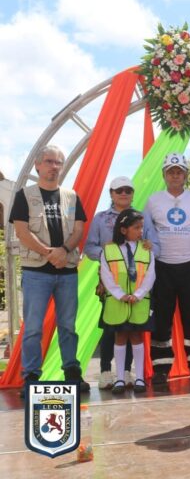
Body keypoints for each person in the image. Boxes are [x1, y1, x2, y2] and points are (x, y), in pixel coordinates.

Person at [9, 145, 89, 393]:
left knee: (68, 325)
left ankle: (72, 374)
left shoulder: (71, 196)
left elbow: (78, 229)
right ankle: (31, 376)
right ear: (37, 165)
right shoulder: (24, 195)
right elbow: (22, 232)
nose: (54, 166)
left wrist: (64, 251)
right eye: (49, 161)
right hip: (36, 271)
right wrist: (50, 253)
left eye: (58, 162)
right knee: (33, 327)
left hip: (66, 271)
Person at [84, 176, 160, 390]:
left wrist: (147, 246)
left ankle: (127, 371)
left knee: (134, 327)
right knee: (112, 327)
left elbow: (155, 247)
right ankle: (107, 371)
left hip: (138, 285)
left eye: (128, 190)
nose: (124, 193)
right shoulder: (100, 219)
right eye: (119, 190)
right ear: (111, 193)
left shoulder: (142, 217)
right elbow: (89, 247)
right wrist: (109, 255)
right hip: (111, 284)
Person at [144, 153, 190, 385]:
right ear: (164, 175)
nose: (175, 175)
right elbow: (145, 234)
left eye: (179, 171)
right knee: (161, 318)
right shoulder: (153, 201)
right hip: (162, 267)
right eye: (170, 171)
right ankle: (161, 369)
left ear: (185, 175)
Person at [99, 209, 155, 394]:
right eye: (136, 228)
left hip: (138, 302)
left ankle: (139, 377)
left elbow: (150, 275)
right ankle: (120, 379)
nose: (140, 231)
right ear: (123, 230)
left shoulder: (147, 250)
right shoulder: (108, 249)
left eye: (142, 227)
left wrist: (138, 294)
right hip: (117, 302)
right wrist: (119, 294)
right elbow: (106, 274)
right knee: (120, 337)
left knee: (137, 337)